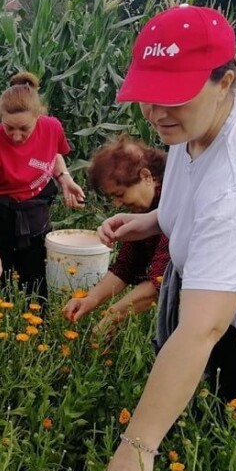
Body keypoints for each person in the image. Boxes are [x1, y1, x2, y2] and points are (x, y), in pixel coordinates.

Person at [98, 5, 236, 471]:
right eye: (147, 96)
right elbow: (194, 193)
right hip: (207, 298)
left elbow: (202, 329)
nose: (155, 113)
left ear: (225, 81)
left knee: (228, 439)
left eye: (172, 96)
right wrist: (153, 221)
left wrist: (135, 449)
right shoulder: (192, 123)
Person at [0, 72, 85, 300]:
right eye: (9, 128)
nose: (16, 136)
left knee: (38, 295)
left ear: (38, 117)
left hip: (34, 218)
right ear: (0, 118)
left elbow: (54, 152)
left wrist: (65, 179)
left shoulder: (52, 127)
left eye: (24, 129)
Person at [63, 137, 169, 337]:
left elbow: (160, 282)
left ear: (146, 176)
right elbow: (126, 266)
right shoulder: (143, 210)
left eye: (120, 194)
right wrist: (90, 299)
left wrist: (111, 317)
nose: (118, 204)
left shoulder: (175, 200)